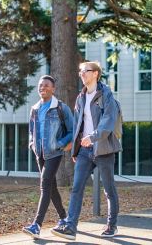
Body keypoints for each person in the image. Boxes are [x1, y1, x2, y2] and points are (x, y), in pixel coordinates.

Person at [51, 61, 121, 240]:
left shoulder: (106, 96)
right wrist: (75, 150)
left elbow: (108, 121)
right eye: (80, 71)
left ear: (96, 74)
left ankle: (111, 225)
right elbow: (77, 126)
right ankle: (71, 227)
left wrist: (93, 136)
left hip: (103, 148)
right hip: (84, 151)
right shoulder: (81, 97)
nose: (82, 74)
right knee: (76, 188)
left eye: (85, 71)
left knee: (109, 189)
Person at [22, 75, 73, 238]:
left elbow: (72, 130)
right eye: (40, 85)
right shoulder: (35, 109)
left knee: (44, 185)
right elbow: (31, 131)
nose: (42, 87)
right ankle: (64, 219)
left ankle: (36, 225)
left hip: (54, 153)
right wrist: (32, 144)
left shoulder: (61, 108)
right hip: (40, 153)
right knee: (52, 188)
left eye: (46, 85)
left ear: (53, 89)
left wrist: (60, 143)